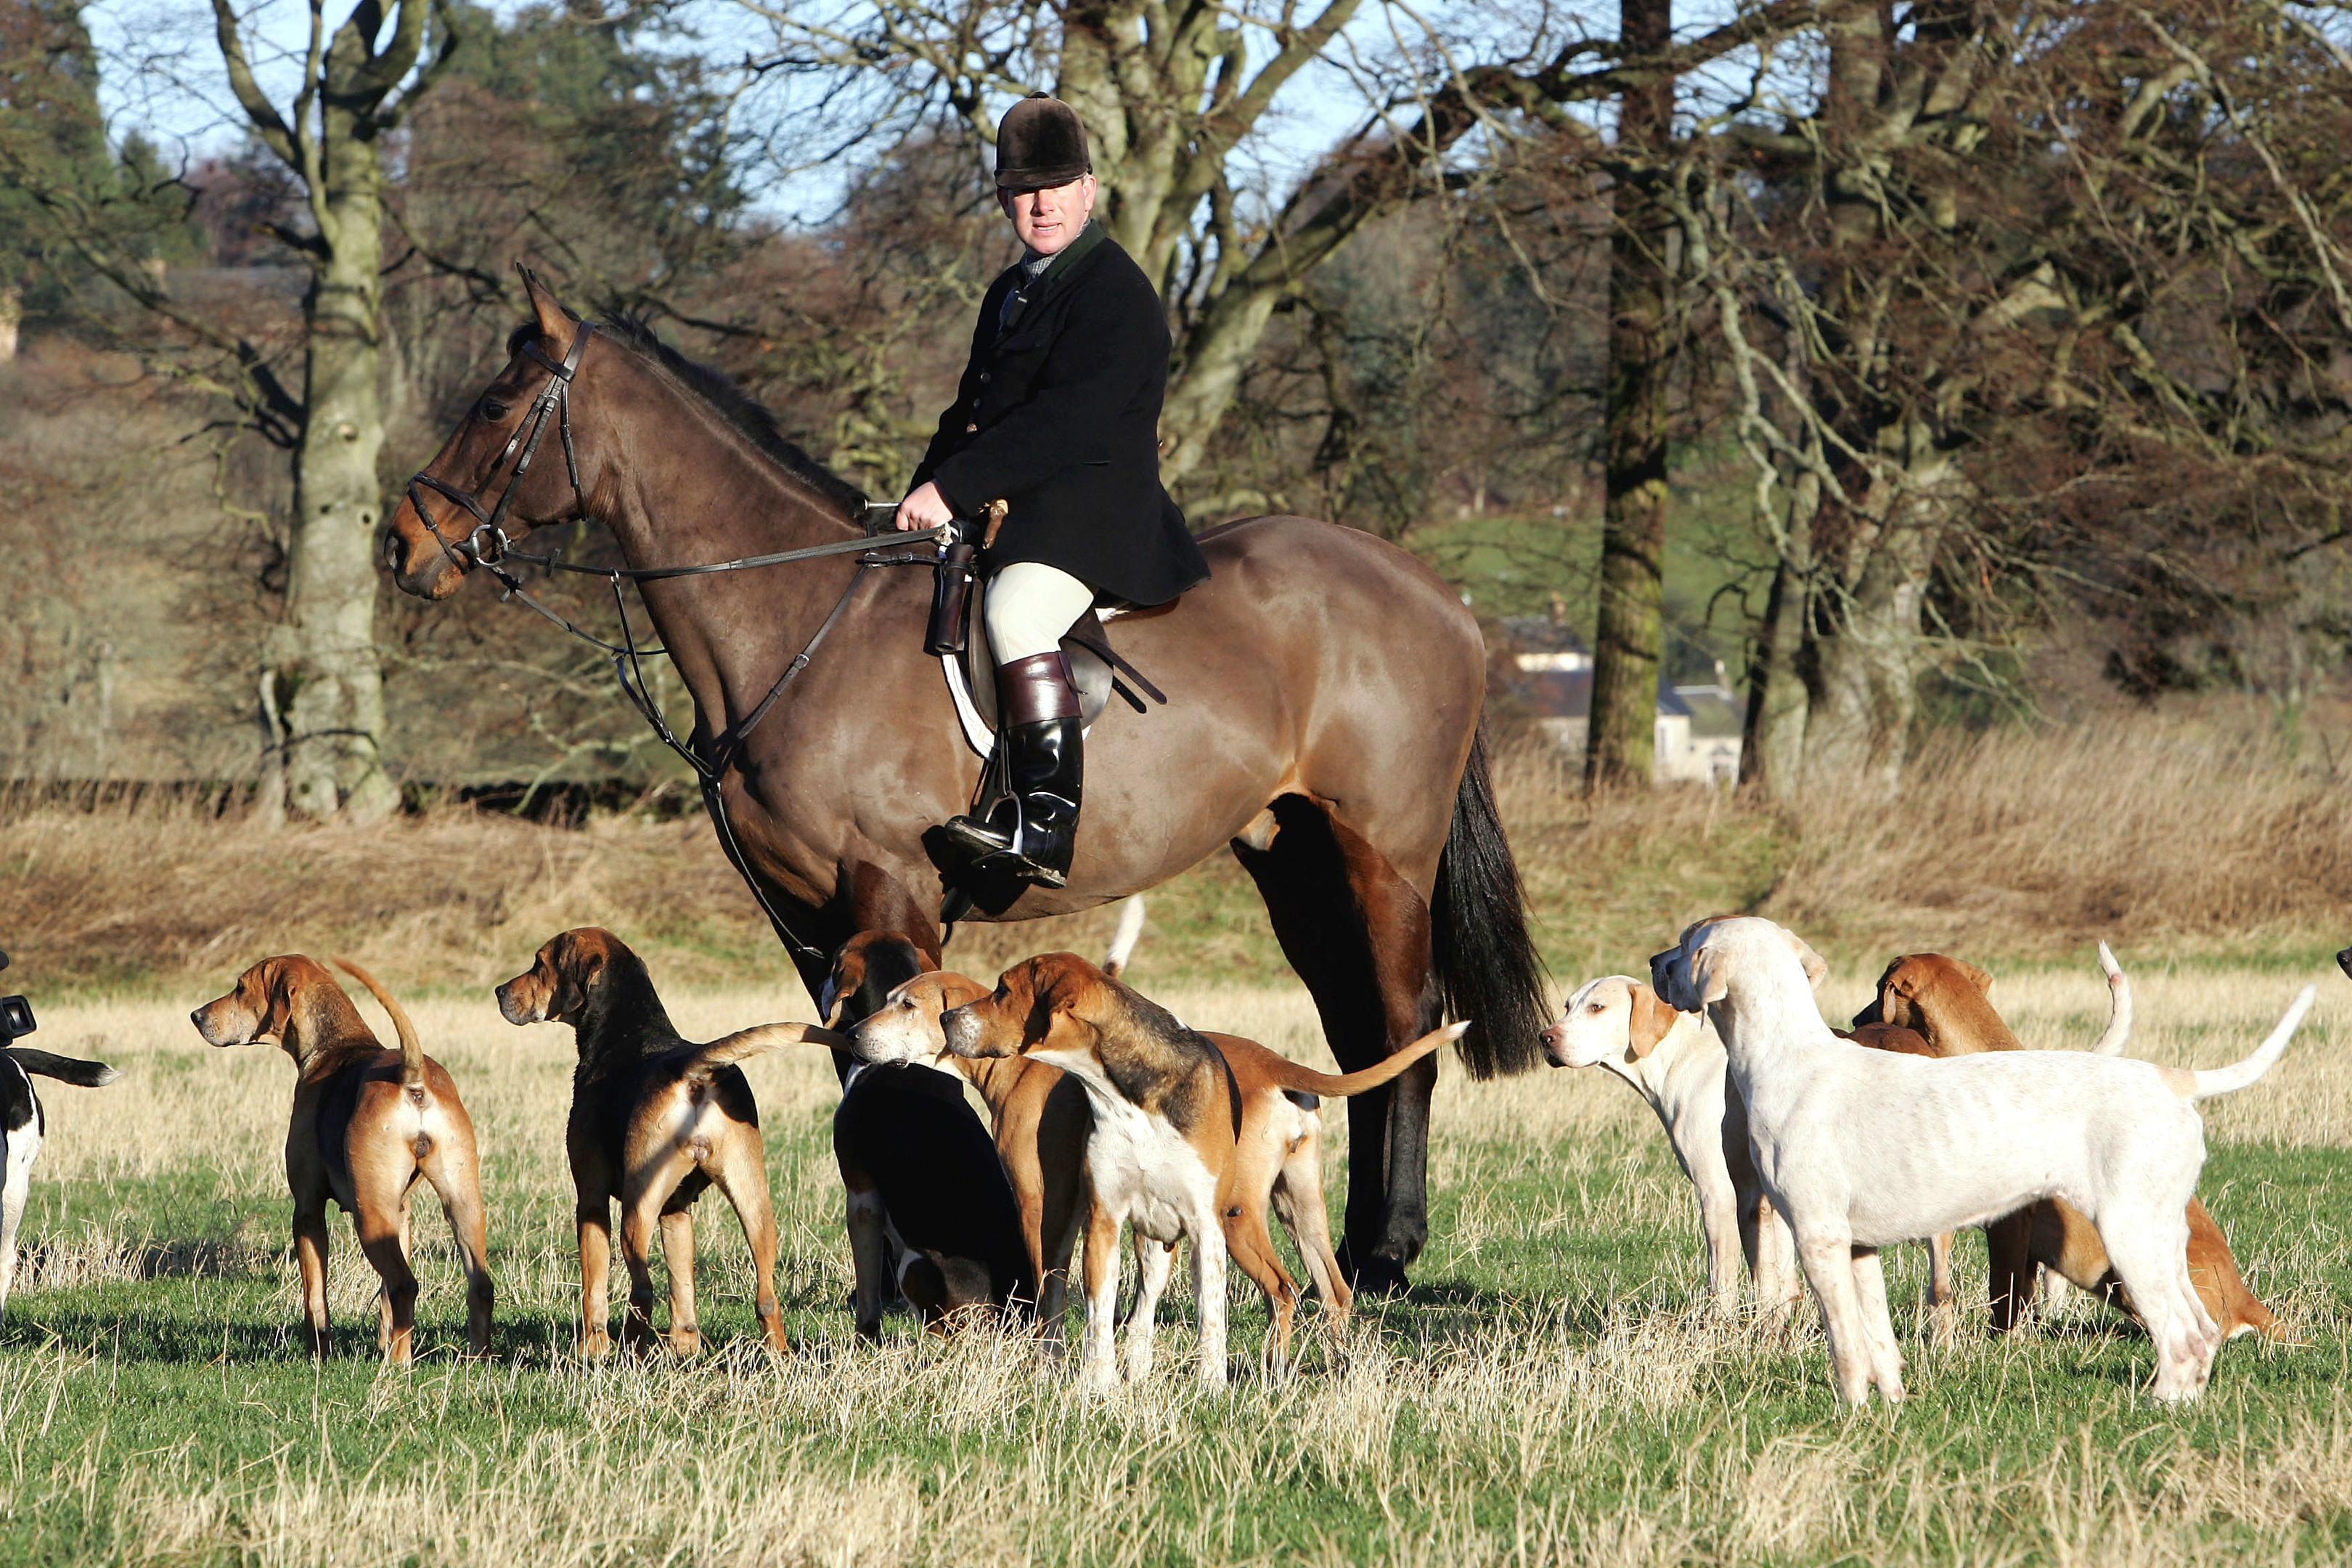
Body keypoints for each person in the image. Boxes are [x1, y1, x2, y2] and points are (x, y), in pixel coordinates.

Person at [897, 92, 1208, 891]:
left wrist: (957, 487)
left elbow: (1068, 421)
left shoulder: (1116, 293)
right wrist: (919, 495)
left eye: (1057, 185)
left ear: (1089, 190)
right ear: (1005, 198)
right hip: (1020, 505)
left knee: (1013, 611)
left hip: (1096, 510)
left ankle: (1044, 822)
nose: (1041, 203)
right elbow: (969, 411)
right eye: (1023, 189)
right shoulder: (1011, 292)